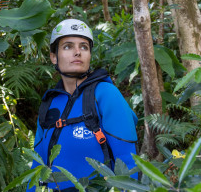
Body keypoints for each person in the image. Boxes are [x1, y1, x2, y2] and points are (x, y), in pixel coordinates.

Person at [27, 19, 138, 191]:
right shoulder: (50, 103)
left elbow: (127, 161)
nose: (77, 52)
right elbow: (38, 165)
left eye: (84, 47)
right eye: (68, 46)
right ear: (53, 57)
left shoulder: (106, 95)